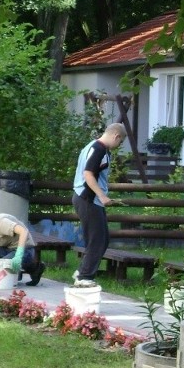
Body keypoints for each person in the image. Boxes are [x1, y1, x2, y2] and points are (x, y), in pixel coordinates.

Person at [72, 123, 127, 287]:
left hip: (87, 198)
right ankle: (84, 278)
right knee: (97, 239)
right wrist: (102, 196)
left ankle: (82, 272)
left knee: (102, 238)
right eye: (121, 141)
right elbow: (88, 174)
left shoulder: (91, 145)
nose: (119, 145)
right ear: (116, 136)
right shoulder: (100, 149)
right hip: (88, 198)